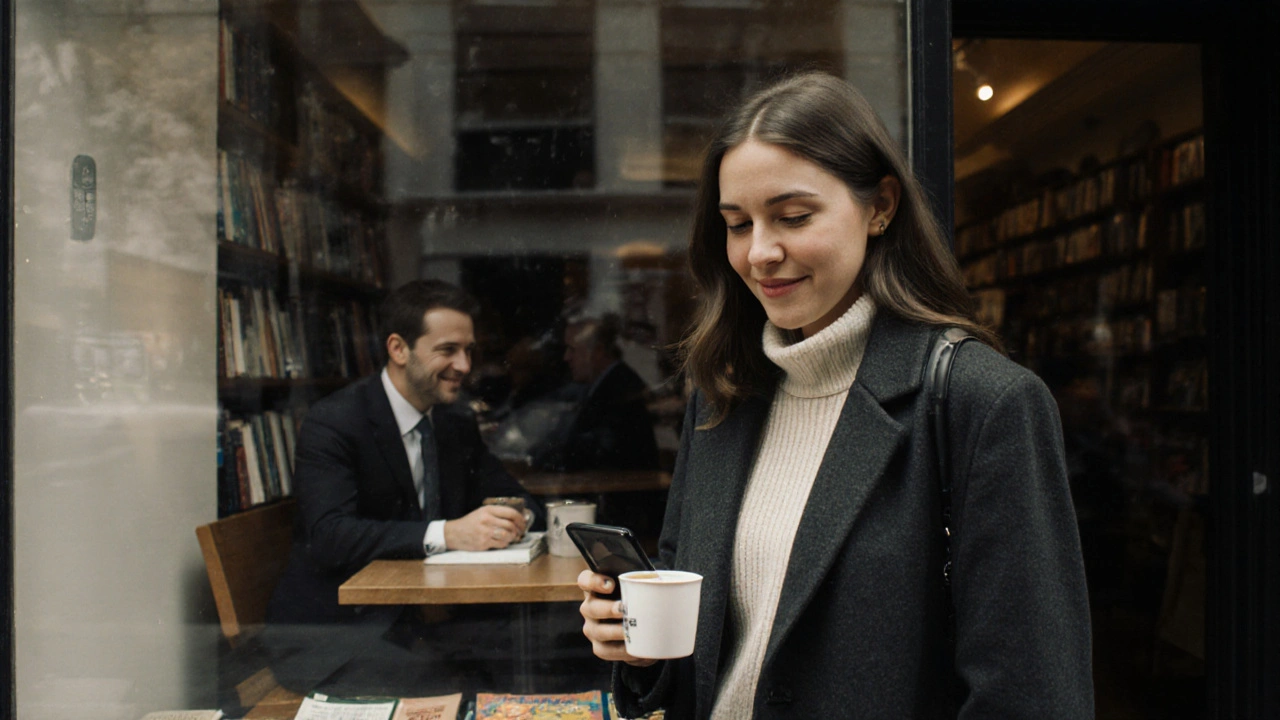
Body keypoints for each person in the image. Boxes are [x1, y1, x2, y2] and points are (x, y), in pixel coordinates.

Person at [578, 72, 1093, 718]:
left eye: (793, 216)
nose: (760, 252)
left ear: (881, 206)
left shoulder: (982, 403)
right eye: (737, 224)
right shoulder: (721, 397)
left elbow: (1030, 694)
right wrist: (642, 651)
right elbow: (710, 666)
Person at [264, 279, 545, 695]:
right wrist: (450, 533)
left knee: (542, 655)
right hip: (336, 634)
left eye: (468, 351)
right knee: (456, 684)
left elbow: (514, 495)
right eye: (448, 350)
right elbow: (329, 535)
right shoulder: (334, 423)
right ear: (398, 349)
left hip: (424, 622)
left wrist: (514, 516)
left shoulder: (453, 422)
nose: (465, 365)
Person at [529, 314, 660, 472]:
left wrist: (546, 453)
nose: (566, 357)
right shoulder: (602, 384)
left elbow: (600, 449)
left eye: (572, 349)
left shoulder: (620, 387)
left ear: (597, 352)